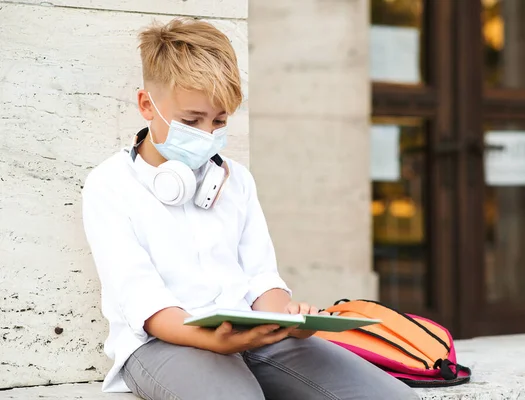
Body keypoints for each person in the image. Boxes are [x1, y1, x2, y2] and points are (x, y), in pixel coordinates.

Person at [81, 17, 419, 400]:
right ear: (146, 105)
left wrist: (288, 318)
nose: (208, 134)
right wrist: (215, 343)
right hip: (160, 344)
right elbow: (143, 302)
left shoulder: (236, 180)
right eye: (191, 121)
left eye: (219, 120)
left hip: (252, 335)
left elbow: (261, 278)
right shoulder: (109, 185)